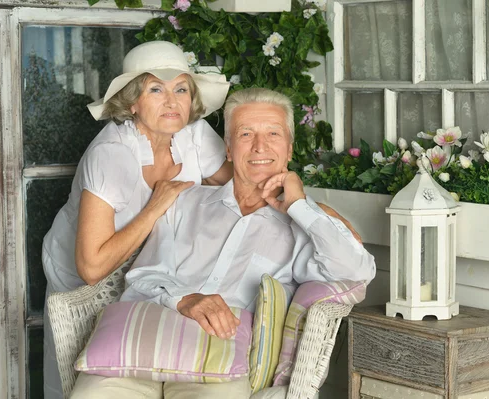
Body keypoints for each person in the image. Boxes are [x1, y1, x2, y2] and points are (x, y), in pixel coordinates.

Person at [70, 88, 376, 399]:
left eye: (273, 133)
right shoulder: (182, 203)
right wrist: (184, 299)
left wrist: (300, 206)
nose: (260, 146)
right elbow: (141, 279)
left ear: (289, 149)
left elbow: (356, 269)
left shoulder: (302, 229)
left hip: (219, 367)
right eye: (246, 133)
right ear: (228, 149)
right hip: (141, 347)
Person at [42, 41, 232, 399]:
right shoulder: (111, 155)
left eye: (181, 89)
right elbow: (92, 267)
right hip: (80, 279)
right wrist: (154, 206)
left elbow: (245, 189)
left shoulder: (192, 134)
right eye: (156, 89)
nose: (172, 101)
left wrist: (305, 204)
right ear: (132, 101)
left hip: (146, 272)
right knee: (82, 369)